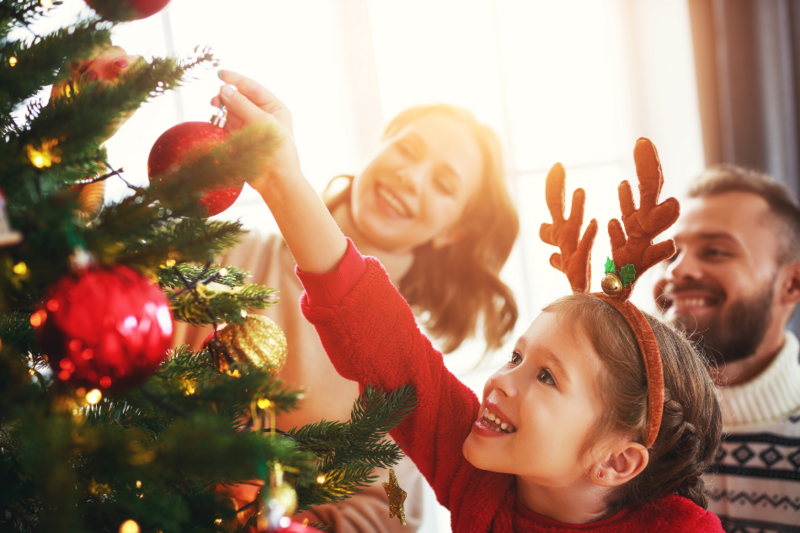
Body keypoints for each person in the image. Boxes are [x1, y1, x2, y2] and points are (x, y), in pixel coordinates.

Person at [214, 71, 725, 531]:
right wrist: (282, 179)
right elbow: (376, 333)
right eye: (518, 357)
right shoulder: (474, 472)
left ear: (615, 462)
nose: (500, 380)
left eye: (546, 376)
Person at [177, 72, 520, 531]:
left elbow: (386, 517)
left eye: (443, 184)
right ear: (377, 148)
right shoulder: (230, 251)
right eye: (407, 150)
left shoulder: (403, 372)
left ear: (452, 231)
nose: (410, 177)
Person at [653, 165, 800, 532]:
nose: (677, 270)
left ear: (791, 284)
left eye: (716, 251)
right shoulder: (630, 433)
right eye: (671, 254)